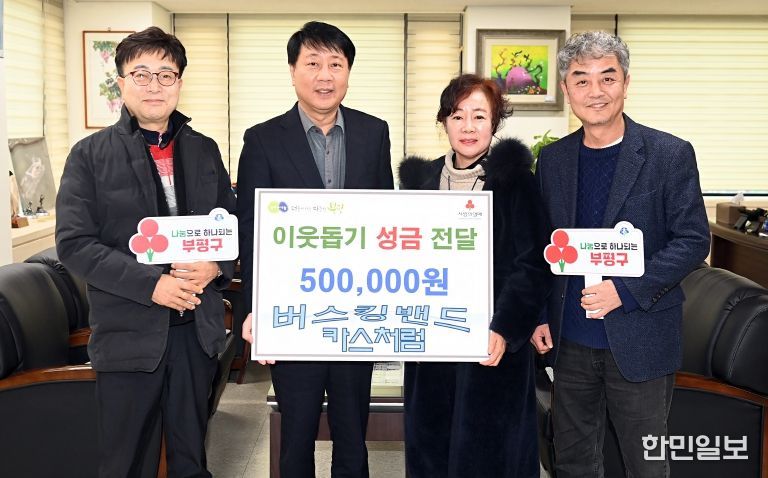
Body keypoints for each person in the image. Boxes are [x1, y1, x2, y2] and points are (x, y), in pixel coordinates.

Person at [56, 27, 236, 478]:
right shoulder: (90, 155)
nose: (154, 85)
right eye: (141, 74)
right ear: (121, 82)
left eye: (166, 75)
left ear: (179, 83)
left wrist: (216, 266)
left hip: (196, 332)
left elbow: (230, 228)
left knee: (191, 459)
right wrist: (152, 285)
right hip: (128, 335)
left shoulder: (204, 150)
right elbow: (75, 244)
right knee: (126, 462)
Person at [530, 31, 710, 477]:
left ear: (626, 83)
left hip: (641, 336)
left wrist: (625, 290)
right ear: (567, 89)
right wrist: (539, 314)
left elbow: (692, 240)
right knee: (573, 462)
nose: (596, 91)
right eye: (582, 80)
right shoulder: (553, 160)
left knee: (644, 464)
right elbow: (541, 244)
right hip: (570, 341)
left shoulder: (669, 154)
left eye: (607, 78)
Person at [237, 21, 393, 478]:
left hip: (356, 310)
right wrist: (255, 310)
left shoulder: (373, 133)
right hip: (293, 313)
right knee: (296, 436)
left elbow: (386, 220)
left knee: (353, 434)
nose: (325, 76)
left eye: (335, 64)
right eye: (313, 64)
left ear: (348, 72)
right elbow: (251, 229)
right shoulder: (262, 138)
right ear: (292, 71)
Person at [397, 73, 551, 478]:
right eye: (457, 115)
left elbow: (533, 263)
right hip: (430, 346)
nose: (468, 126)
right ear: (443, 122)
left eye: (479, 116)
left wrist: (505, 328)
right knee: (431, 453)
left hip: (492, 346)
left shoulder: (516, 182)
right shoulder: (421, 182)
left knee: (488, 456)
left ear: (494, 123)